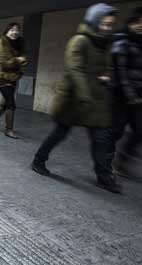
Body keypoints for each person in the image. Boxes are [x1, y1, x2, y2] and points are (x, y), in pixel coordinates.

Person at [31, 3, 121, 193]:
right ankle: (39, 160)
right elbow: (75, 69)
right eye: (104, 23)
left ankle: (104, 176)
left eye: (110, 24)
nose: (107, 27)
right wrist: (84, 95)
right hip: (75, 99)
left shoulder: (105, 43)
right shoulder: (79, 41)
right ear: (95, 21)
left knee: (100, 139)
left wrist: (107, 75)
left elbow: (108, 67)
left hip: (96, 100)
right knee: (60, 133)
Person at [111, 7, 142, 178]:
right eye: (140, 22)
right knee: (115, 132)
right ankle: (105, 162)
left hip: (138, 97)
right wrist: (130, 95)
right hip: (121, 95)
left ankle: (122, 161)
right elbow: (121, 71)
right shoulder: (122, 41)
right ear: (132, 23)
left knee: (141, 131)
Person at [0, 22, 28, 139]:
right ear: (7, 31)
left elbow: (26, 58)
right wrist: (18, 60)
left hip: (14, 78)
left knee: (5, 105)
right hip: (3, 78)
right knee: (11, 104)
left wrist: (18, 60)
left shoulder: (20, 42)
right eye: (12, 30)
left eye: (17, 30)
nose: (15, 32)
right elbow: (4, 63)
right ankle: (8, 130)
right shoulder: (2, 42)